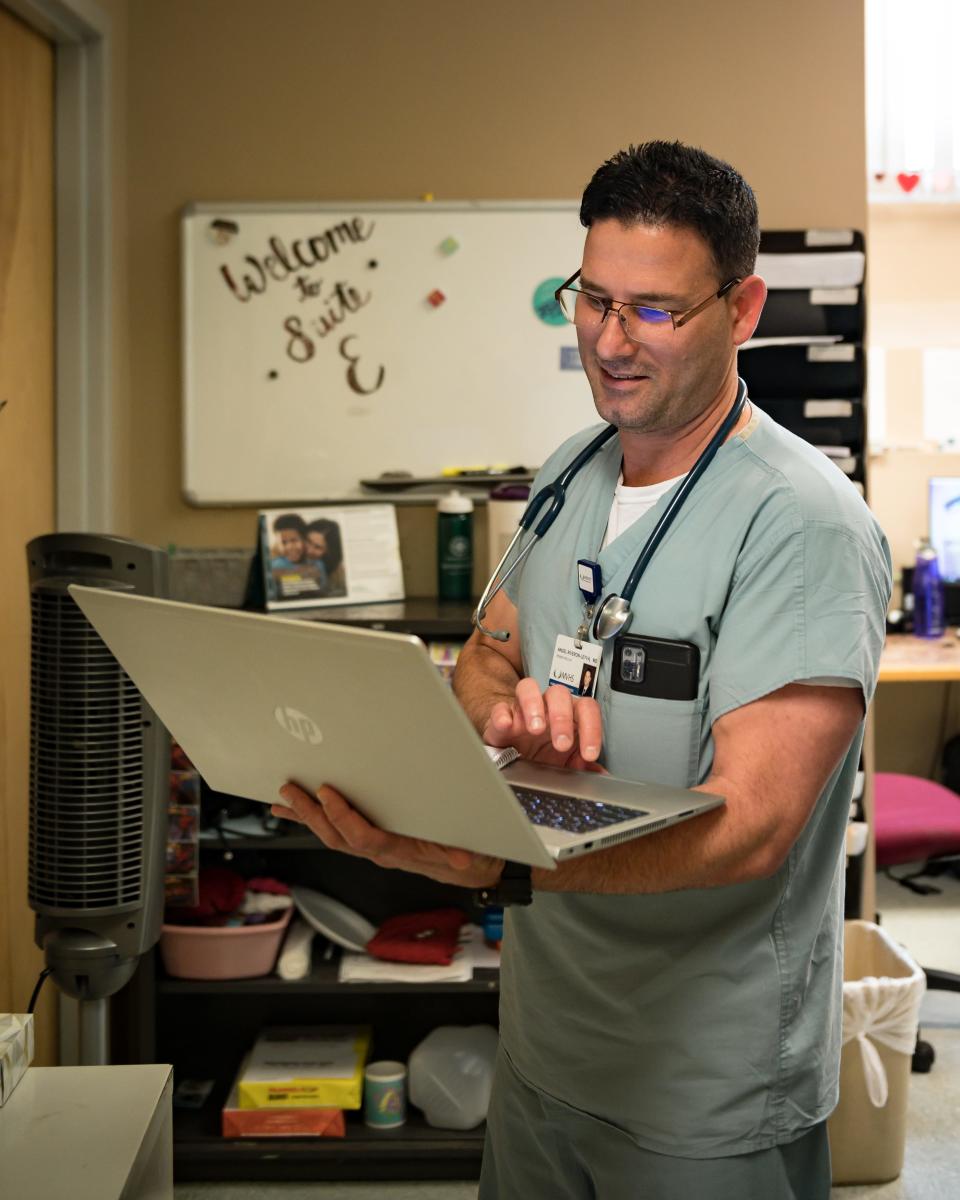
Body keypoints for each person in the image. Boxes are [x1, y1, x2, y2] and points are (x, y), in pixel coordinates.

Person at [272, 141, 891, 1198]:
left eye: (654, 310)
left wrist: (498, 860)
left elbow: (751, 826)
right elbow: (486, 657)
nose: (611, 341)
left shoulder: (802, 524)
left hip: (706, 1086)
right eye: (591, 299)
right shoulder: (568, 472)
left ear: (742, 310)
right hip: (547, 1050)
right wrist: (511, 722)